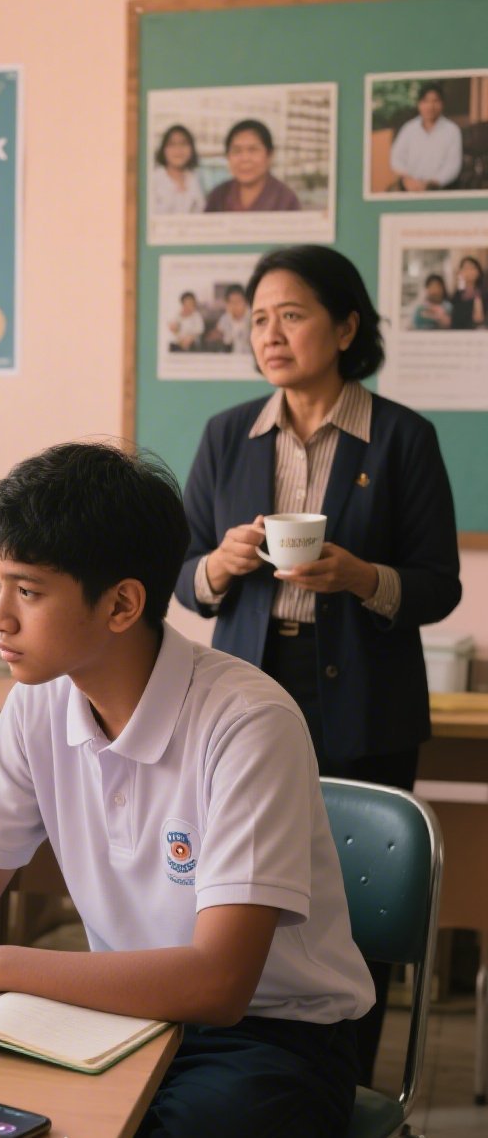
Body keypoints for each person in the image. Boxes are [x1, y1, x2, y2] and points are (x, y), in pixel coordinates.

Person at [0, 442, 373, 1138]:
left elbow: (218, 984)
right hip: (110, 1019)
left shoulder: (246, 722)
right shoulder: (37, 706)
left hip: (272, 1036)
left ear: (122, 604)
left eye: (26, 590)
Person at [175, 244, 461, 1085]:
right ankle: (249, 1061)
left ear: (344, 326)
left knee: (355, 903)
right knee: (238, 885)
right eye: (258, 317)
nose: (270, 332)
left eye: (291, 314)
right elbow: (182, 572)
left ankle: (349, 1077)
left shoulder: (403, 435)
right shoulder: (229, 433)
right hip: (247, 693)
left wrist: (360, 577)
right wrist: (220, 565)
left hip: (366, 701)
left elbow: (438, 584)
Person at [204, 119, 301, 213]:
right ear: (228, 157)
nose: (245, 159)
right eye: (237, 151)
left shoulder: (286, 199)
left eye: (253, 150)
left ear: (270, 155)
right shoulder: (218, 196)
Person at [389, 82, 463, 193]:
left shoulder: (452, 130)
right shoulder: (408, 128)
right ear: (419, 104)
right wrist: (408, 180)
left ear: (442, 104)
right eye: (425, 101)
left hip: (439, 188)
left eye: (435, 101)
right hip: (409, 186)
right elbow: (396, 158)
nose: (430, 106)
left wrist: (432, 183)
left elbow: (453, 166)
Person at [150, 124, 205, 215]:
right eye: (172, 144)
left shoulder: (195, 179)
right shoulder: (153, 180)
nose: (178, 150)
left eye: (183, 144)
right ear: (163, 149)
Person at [450, 256, 486, 329]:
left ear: (478, 271)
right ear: (460, 272)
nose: (469, 271)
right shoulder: (457, 295)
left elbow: (480, 318)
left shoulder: (484, 293)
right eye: (466, 268)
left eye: (473, 268)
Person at [215, 283, 252, 353]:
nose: (235, 305)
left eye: (238, 301)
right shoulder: (224, 319)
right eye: (231, 302)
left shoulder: (252, 317)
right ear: (227, 304)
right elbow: (219, 335)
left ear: (246, 302)